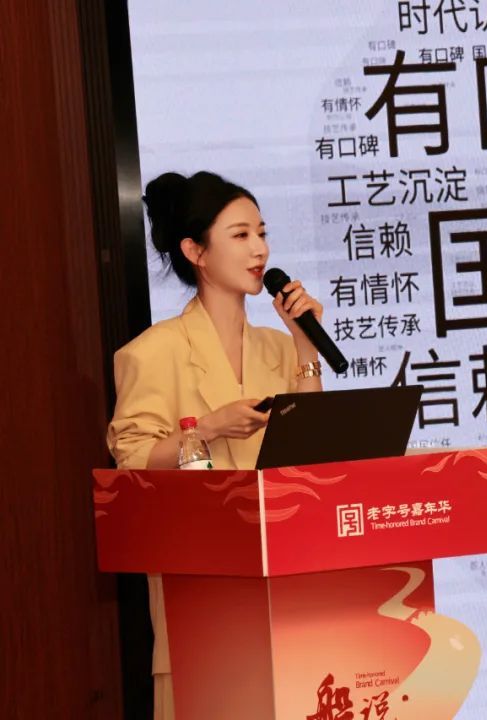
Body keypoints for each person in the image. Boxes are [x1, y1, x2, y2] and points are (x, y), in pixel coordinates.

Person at [106, 171, 325, 719]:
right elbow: (131, 462)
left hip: (290, 594)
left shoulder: (280, 348)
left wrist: (305, 346)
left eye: (262, 233)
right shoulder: (152, 352)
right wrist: (205, 429)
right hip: (203, 600)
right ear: (195, 252)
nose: (260, 250)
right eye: (241, 235)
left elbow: (315, 457)